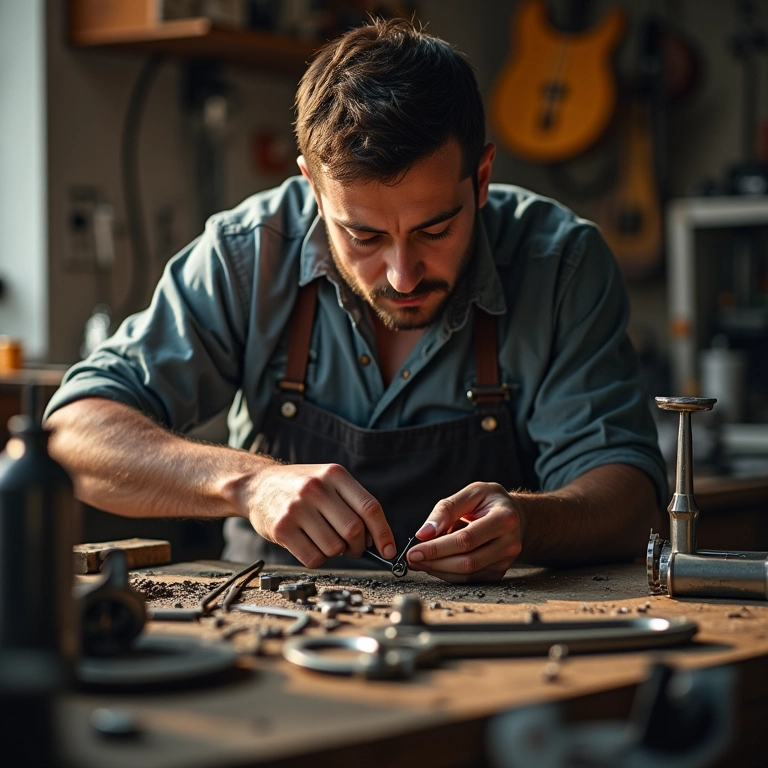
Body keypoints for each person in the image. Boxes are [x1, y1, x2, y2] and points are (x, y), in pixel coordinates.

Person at [44, 18, 667, 583]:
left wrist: (529, 523)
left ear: (480, 179)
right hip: (271, 621)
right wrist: (247, 482)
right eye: (364, 235)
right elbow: (74, 434)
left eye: (435, 229)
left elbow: (631, 496)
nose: (400, 276)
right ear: (314, 190)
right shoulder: (246, 255)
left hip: (499, 631)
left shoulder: (559, 264)